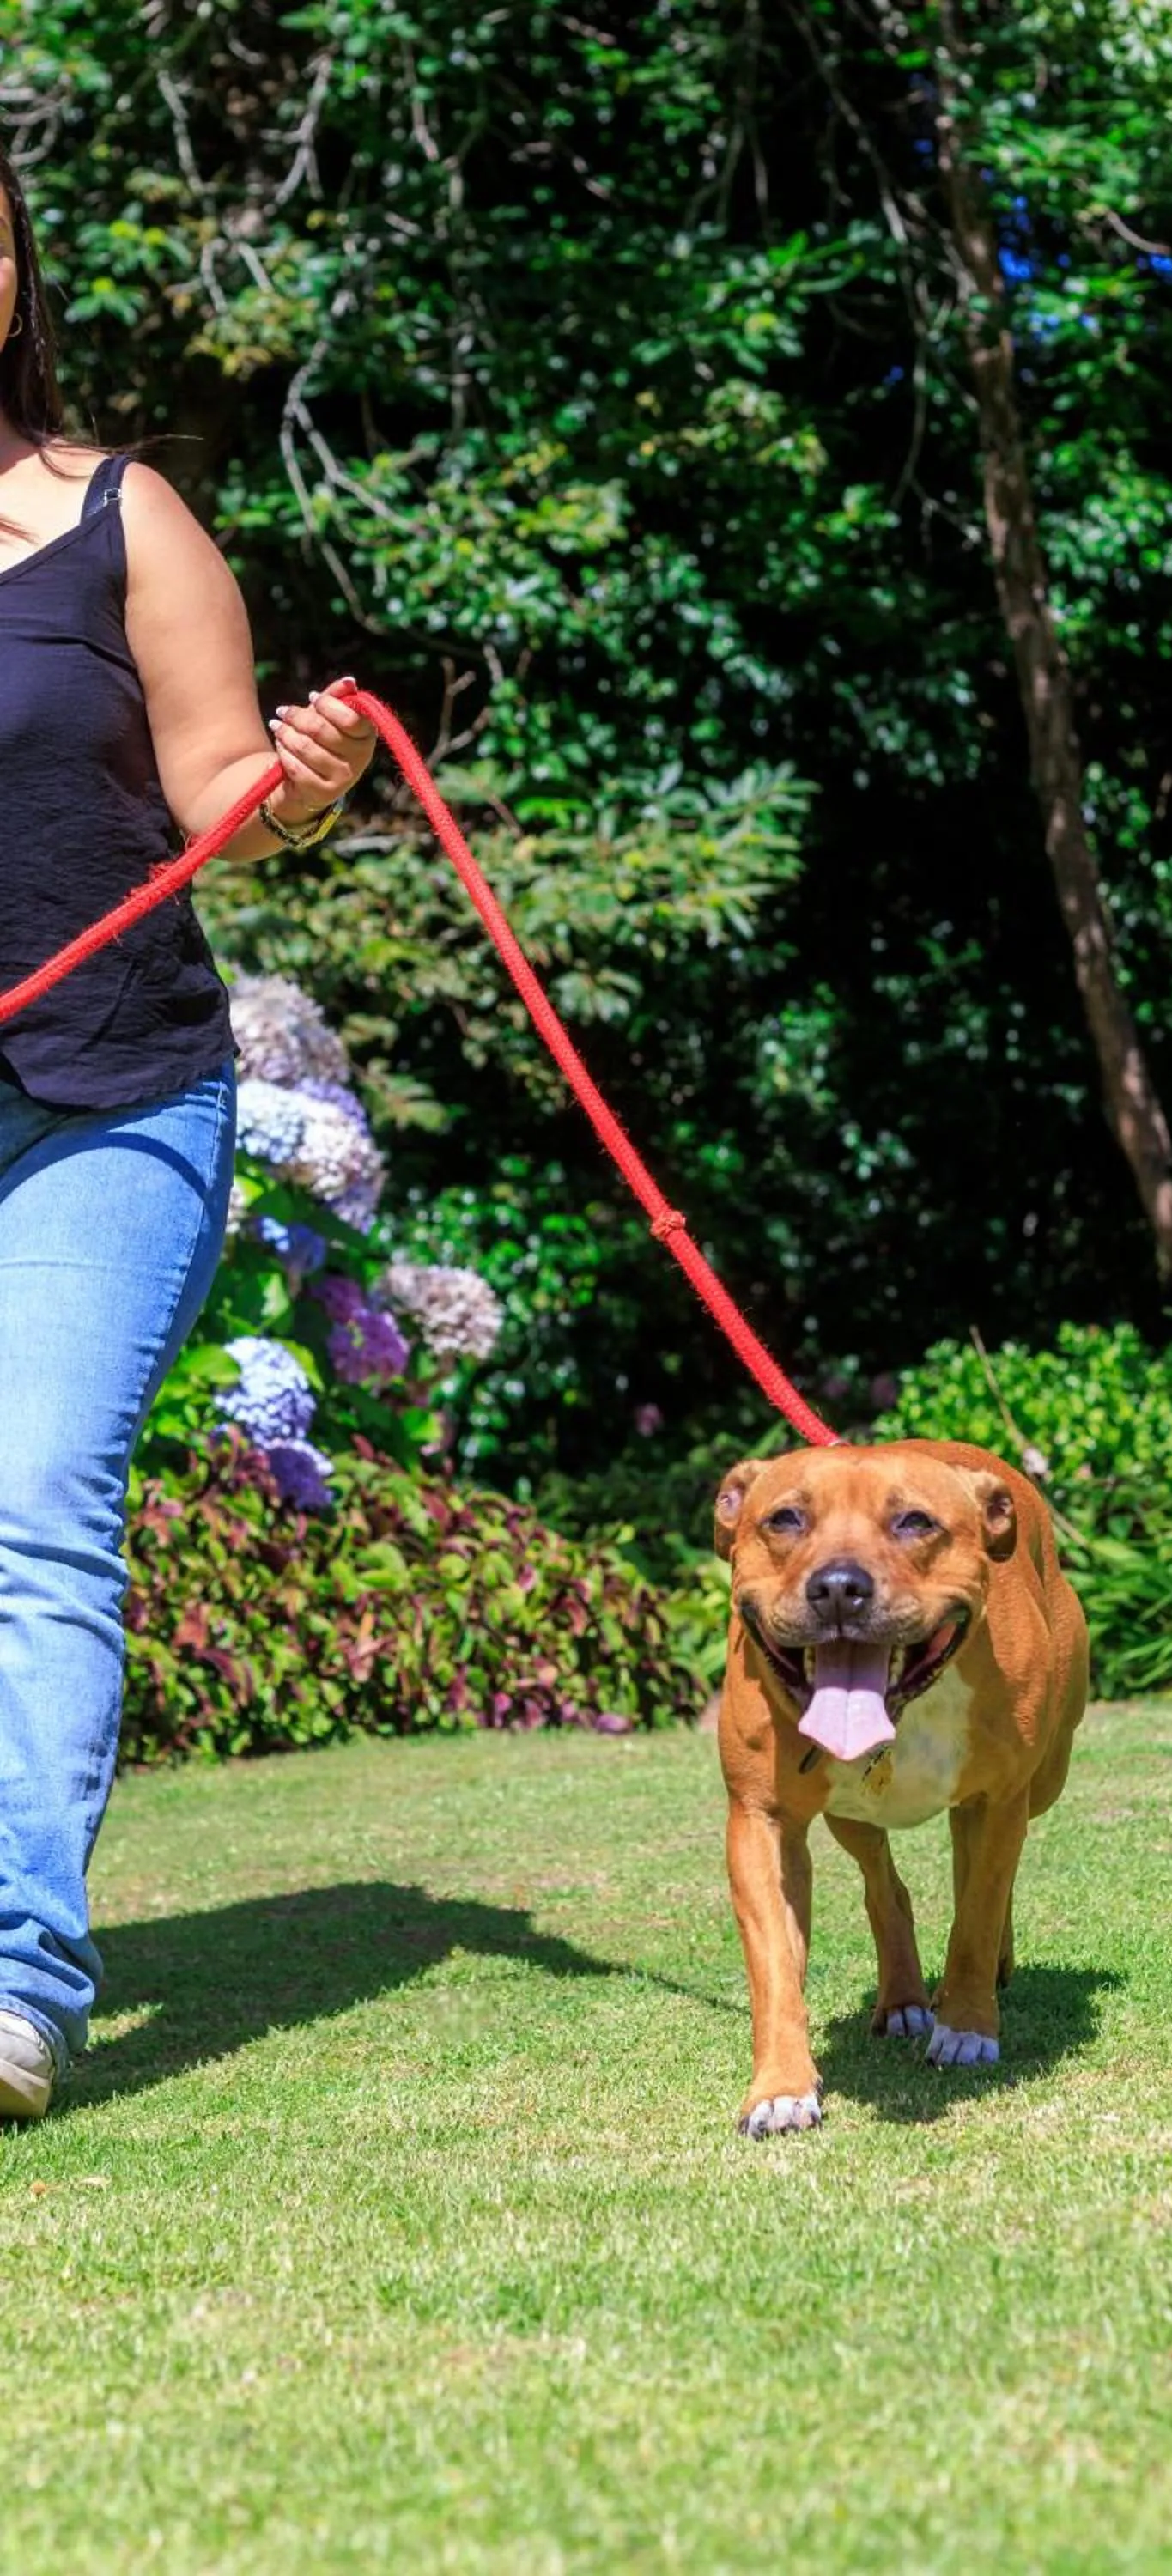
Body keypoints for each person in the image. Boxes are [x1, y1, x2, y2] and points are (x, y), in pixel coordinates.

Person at [0, 146, 378, 2118]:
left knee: (32, 1501)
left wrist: (301, 790)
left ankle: (13, 1986)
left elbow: (226, 780)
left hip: (104, 1092)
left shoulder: (120, 517)